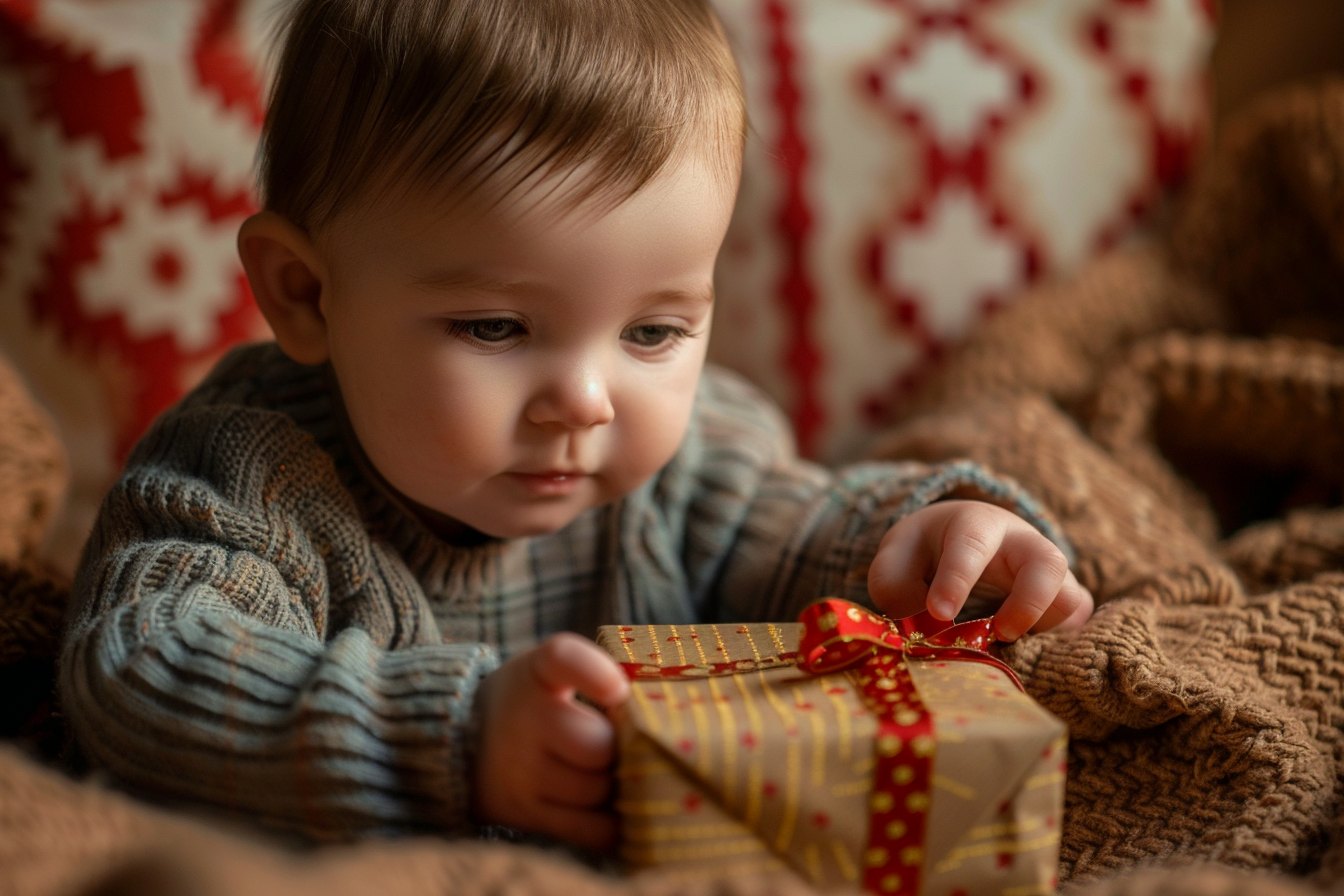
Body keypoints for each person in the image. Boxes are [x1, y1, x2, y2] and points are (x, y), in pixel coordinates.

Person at [59, 0, 1093, 853]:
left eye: (653, 328)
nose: (589, 400)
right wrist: (451, 738)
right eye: (498, 325)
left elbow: (793, 536)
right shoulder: (250, 473)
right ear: (306, 293)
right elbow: (141, 666)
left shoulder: (685, 455)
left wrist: (919, 539)